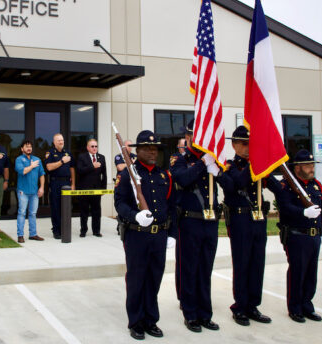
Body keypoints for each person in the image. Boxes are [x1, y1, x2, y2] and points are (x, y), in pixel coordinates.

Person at [114, 130, 176, 340]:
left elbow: (171, 206)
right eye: (147, 148)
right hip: (137, 235)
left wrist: (172, 234)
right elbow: (119, 204)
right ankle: (136, 321)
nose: (152, 151)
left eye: (155, 148)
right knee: (136, 279)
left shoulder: (164, 175)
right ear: (137, 150)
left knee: (154, 279)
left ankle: (151, 320)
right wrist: (135, 216)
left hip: (159, 236)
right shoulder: (126, 175)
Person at [170, 120, 224, 333]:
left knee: (205, 269)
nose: (197, 140)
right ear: (189, 137)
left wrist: (218, 170)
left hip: (210, 222)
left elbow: (229, 183)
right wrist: (203, 163)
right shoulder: (180, 160)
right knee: (189, 268)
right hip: (189, 222)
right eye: (194, 136)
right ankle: (190, 314)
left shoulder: (214, 160)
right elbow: (182, 179)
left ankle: (205, 314)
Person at [219, 126, 273, 326]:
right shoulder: (229, 166)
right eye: (243, 143)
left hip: (259, 219)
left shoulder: (258, 165)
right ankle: (240, 307)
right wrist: (256, 164)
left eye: (251, 144)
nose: (247, 147)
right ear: (233, 144)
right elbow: (238, 183)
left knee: (257, 263)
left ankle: (253, 305)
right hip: (240, 220)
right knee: (242, 263)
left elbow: (276, 186)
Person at [271, 149, 322, 323]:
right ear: (297, 168)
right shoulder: (287, 186)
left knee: (311, 273)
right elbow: (285, 208)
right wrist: (303, 212)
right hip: (297, 236)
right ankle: (295, 308)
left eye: (312, 165)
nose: (311, 168)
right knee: (298, 272)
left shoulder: (316, 185)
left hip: (314, 236)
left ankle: (307, 306)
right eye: (308, 165)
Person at [44, 133, 75, 240]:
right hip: (55, 183)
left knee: (66, 207)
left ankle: (65, 229)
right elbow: (49, 167)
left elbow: (72, 169)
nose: (61, 142)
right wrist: (62, 161)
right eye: (58, 140)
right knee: (56, 207)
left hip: (66, 182)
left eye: (62, 140)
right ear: (54, 142)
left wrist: (73, 184)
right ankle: (56, 230)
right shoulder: (50, 153)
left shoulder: (68, 153)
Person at [14, 140, 46, 243]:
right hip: (23, 191)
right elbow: (22, 171)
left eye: (30, 146)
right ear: (22, 149)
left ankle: (33, 234)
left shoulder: (37, 160)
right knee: (22, 213)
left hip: (34, 192)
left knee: (33, 213)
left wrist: (41, 187)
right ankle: (20, 235)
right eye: (26, 146)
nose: (29, 148)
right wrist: (31, 166)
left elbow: (42, 174)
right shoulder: (19, 159)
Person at [76, 139, 107, 237]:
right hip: (84, 189)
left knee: (96, 211)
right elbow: (79, 171)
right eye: (92, 146)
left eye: (96, 146)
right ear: (87, 147)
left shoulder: (101, 157)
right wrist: (92, 166)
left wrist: (103, 188)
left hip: (97, 189)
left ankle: (96, 231)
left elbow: (104, 174)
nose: (94, 148)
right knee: (84, 211)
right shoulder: (82, 157)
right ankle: (83, 230)